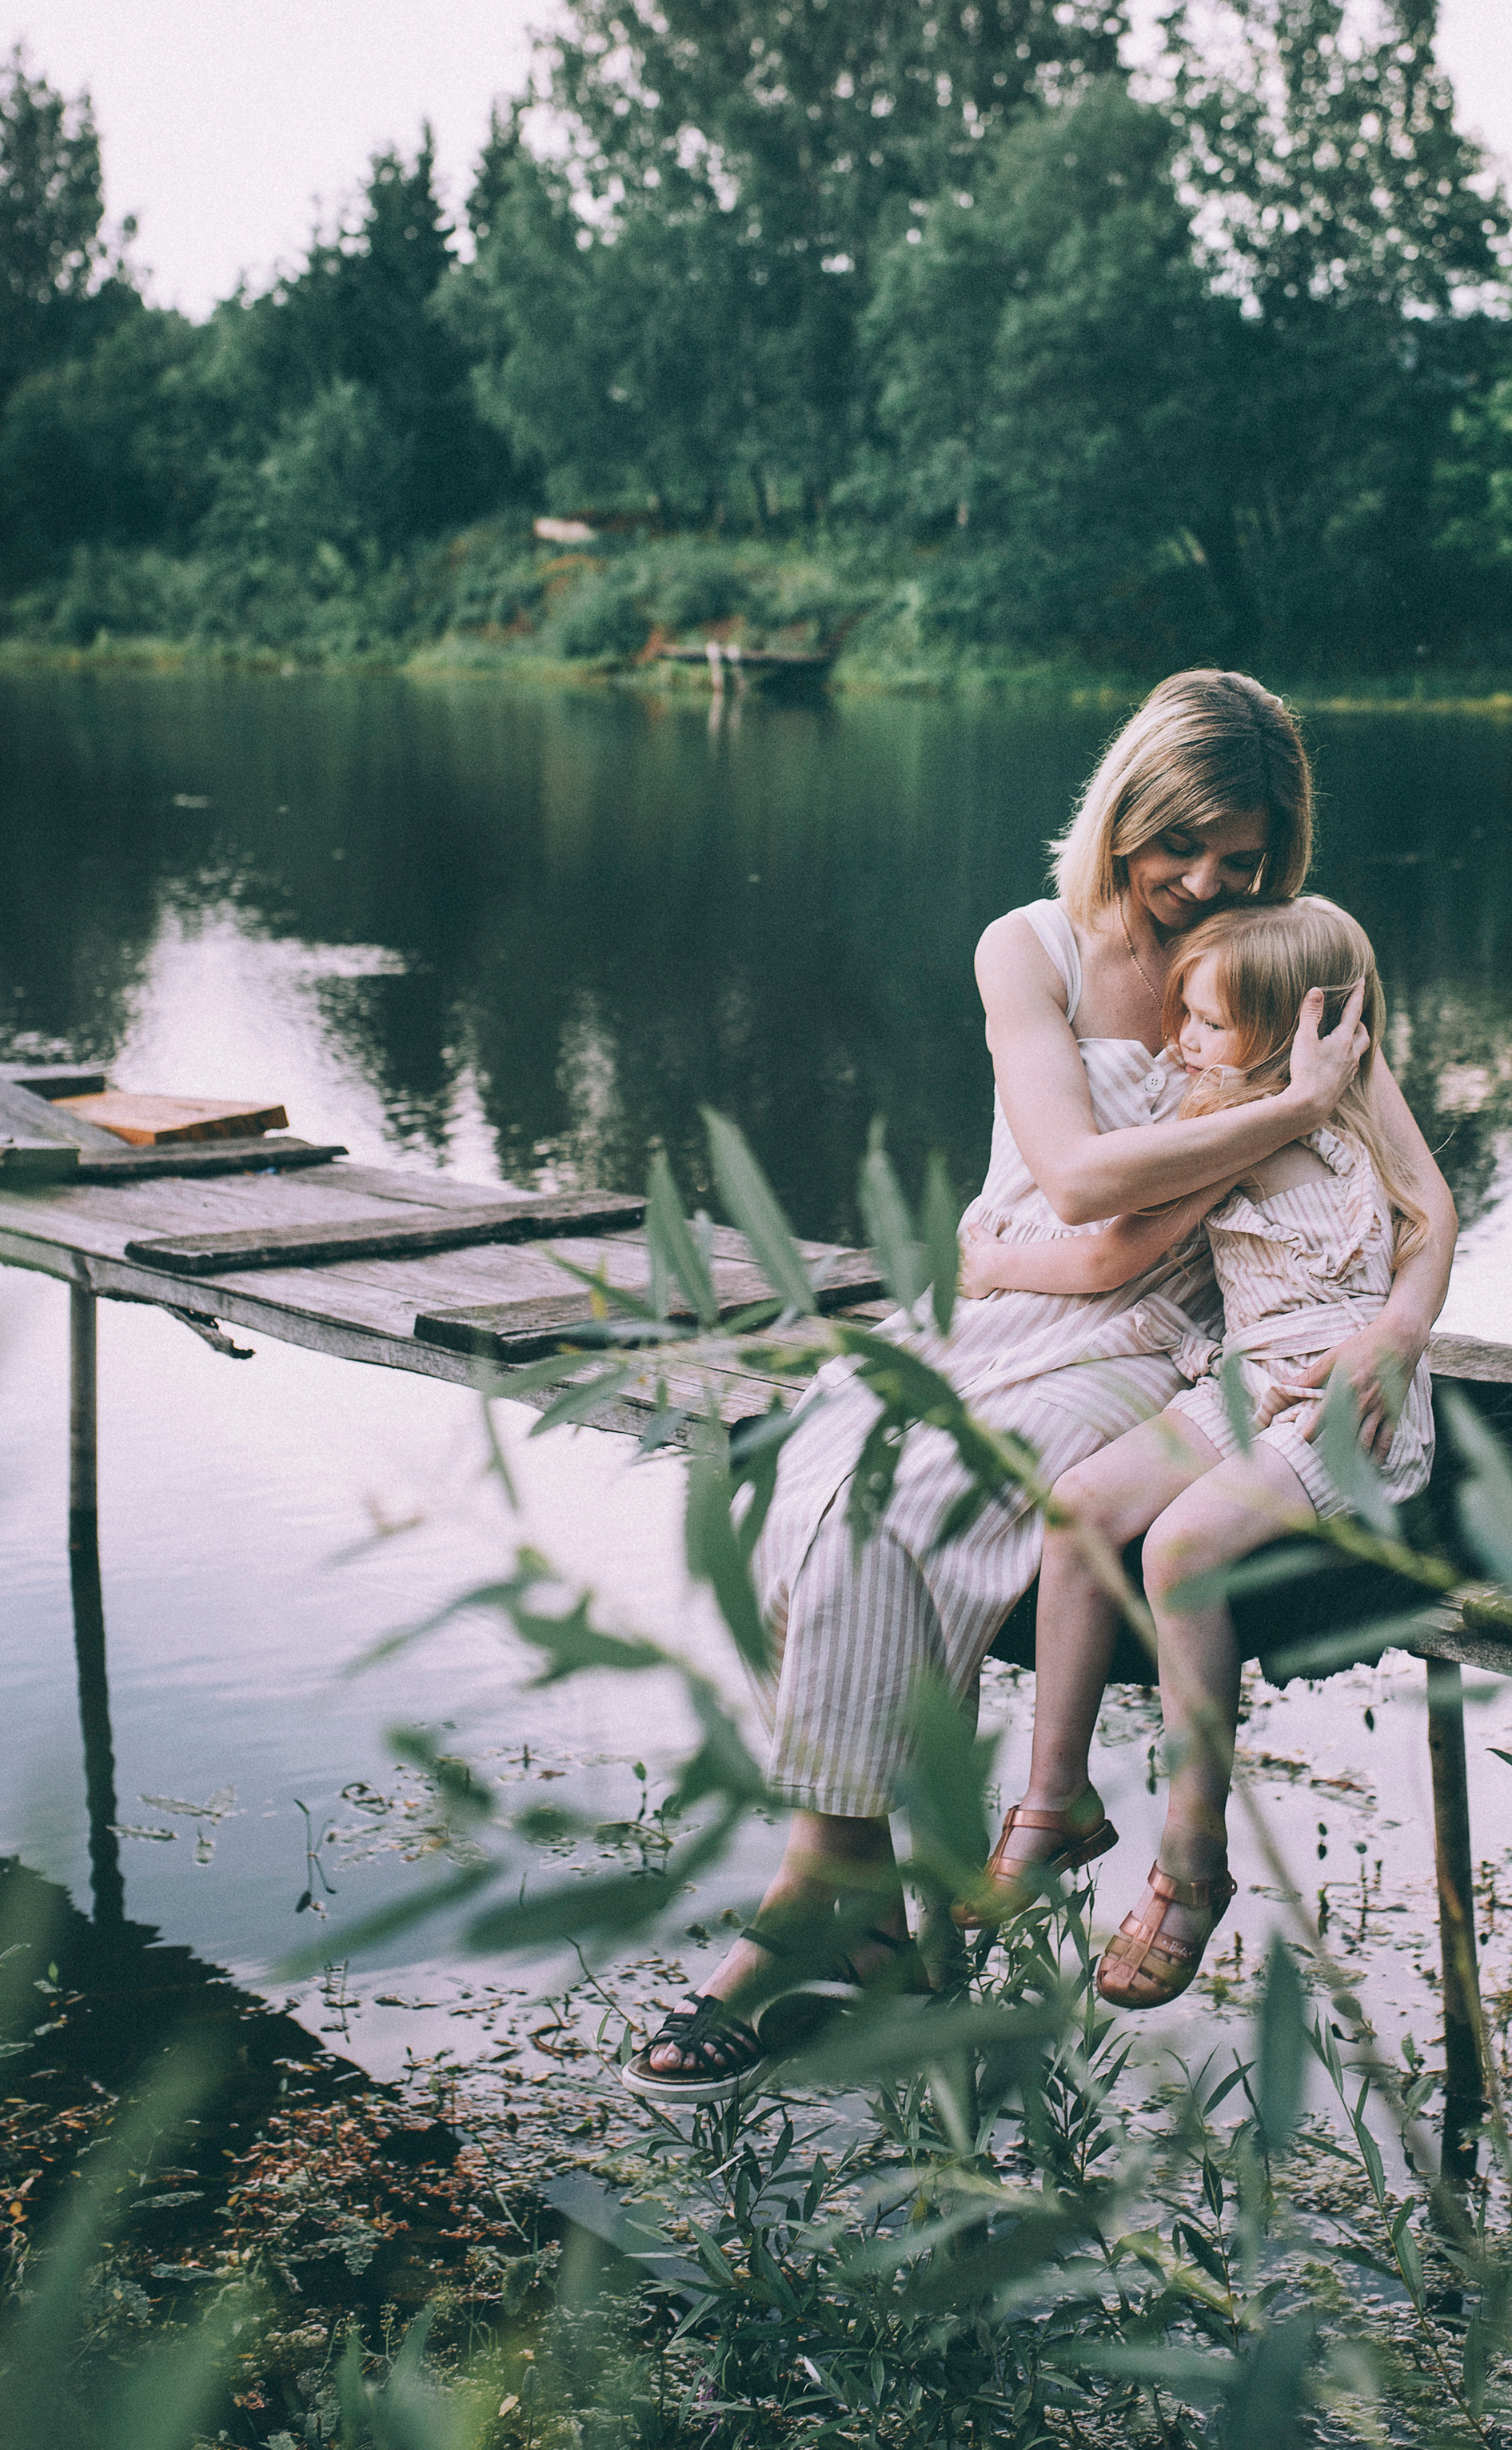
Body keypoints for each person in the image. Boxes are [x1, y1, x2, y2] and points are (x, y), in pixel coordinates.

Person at [624, 672, 1455, 2100]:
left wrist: (1321, 1172)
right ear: (1124, 811)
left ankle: (815, 1904)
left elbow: (1233, 1218)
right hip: (1012, 1298)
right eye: (1179, 846)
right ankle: (863, 1890)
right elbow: (1071, 1174)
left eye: (1242, 857)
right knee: (811, 1481)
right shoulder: (1031, 949)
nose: (1203, 882)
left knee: (921, 1501)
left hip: (1161, 1331)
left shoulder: (1280, 971)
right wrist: (1007, 1261)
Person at [953, 895, 1438, 2009]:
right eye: (1180, 1018)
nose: (1179, 1043)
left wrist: (989, 1265)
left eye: (1207, 1025)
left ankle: (1191, 1855)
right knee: (1076, 1506)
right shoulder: (1223, 1113)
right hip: (1249, 1369)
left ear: (1281, 1034)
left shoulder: (1321, 1103)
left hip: (1347, 1406)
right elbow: (1112, 1233)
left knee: (1179, 1548)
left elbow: (1107, 1254)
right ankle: (1053, 1798)